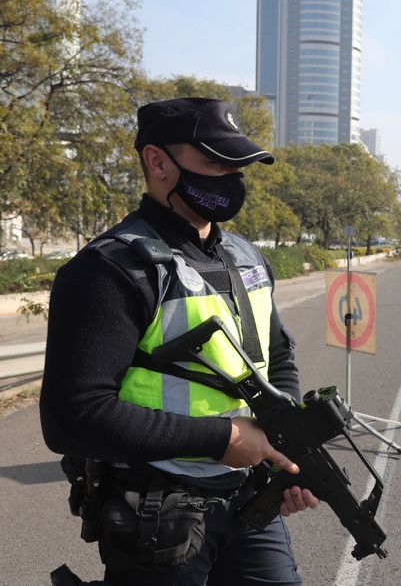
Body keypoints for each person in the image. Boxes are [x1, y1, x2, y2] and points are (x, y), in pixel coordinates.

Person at [41, 97, 318, 585]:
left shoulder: (246, 256)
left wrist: (282, 443)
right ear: (157, 161)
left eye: (238, 165)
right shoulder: (110, 269)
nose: (231, 177)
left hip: (249, 499)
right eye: (215, 162)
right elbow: (72, 415)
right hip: (157, 513)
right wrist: (221, 440)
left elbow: (277, 358)